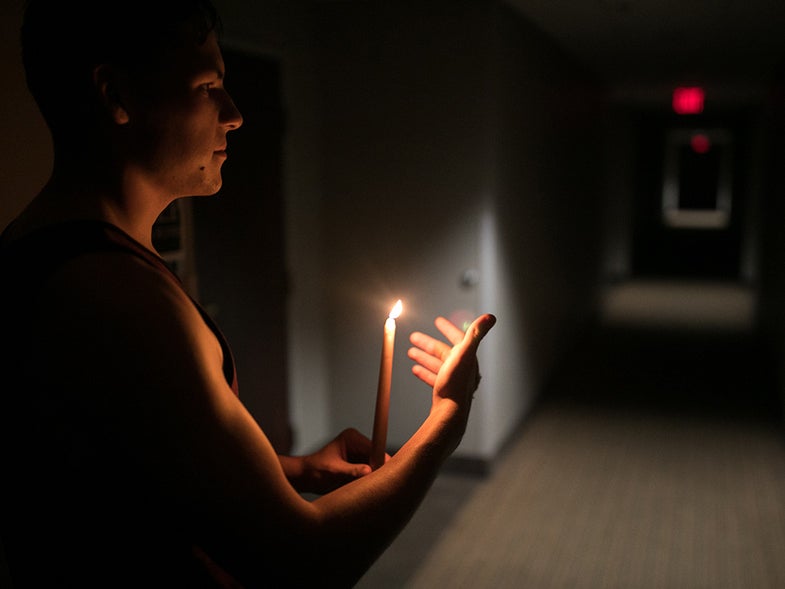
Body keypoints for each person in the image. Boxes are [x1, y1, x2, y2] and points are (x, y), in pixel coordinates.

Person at [0, 0, 496, 587]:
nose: (233, 115)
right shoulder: (117, 298)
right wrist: (447, 420)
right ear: (115, 96)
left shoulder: (46, 247)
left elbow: (125, 467)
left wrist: (291, 469)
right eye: (207, 85)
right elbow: (302, 560)